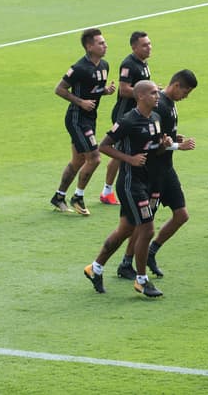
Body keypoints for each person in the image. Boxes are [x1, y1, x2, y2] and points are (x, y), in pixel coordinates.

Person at [83, 80, 172, 298]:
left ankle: (94, 268)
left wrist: (164, 145)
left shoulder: (156, 118)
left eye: (157, 92)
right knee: (147, 229)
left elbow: (153, 151)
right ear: (140, 96)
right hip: (132, 184)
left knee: (125, 230)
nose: (157, 95)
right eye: (152, 93)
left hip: (147, 180)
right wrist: (129, 159)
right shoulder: (128, 121)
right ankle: (141, 281)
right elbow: (104, 146)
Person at [120, 69, 198, 281]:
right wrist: (177, 145)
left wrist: (174, 137)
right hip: (152, 172)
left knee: (181, 215)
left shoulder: (168, 104)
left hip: (166, 170)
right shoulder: (159, 105)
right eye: (186, 92)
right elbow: (154, 142)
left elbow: (163, 135)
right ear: (176, 86)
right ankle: (127, 262)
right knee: (144, 223)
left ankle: (152, 252)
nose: (186, 96)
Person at [50, 28, 116, 215]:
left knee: (78, 160)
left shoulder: (104, 65)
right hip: (77, 119)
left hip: (90, 119)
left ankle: (58, 196)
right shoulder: (79, 68)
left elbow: (94, 88)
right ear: (89, 46)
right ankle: (78, 196)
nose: (105, 45)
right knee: (94, 158)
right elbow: (60, 89)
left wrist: (106, 91)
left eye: (104, 42)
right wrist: (81, 102)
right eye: (100, 43)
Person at [100, 31, 153, 206]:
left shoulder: (143, 64)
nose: (149, 47)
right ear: (134, 47)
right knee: (120, 152)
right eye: (144, 45)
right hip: (125, 115)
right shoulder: (129, 64)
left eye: (149, 43)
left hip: (136, 115)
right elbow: (124, 89)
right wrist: (148, 92)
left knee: (125, 151)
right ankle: (107, 191)